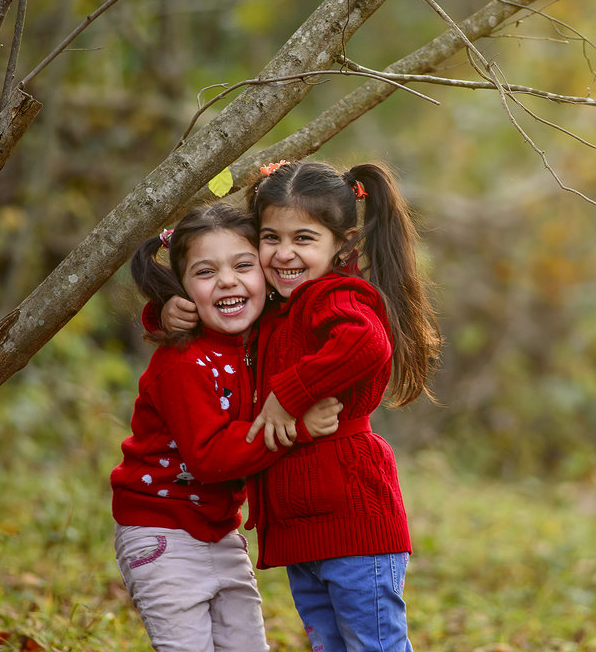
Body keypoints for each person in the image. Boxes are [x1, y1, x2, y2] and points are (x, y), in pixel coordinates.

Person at [161, 160, 440, 652]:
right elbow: (220, 311)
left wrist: (286, 395)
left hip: (355, 525)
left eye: (304, 239)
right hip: (302, 531)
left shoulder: (335, 297)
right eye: (270, 237)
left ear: (343, 243)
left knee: (373, 645)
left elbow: (366, 343)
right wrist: (165, 310)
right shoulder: (276, 307)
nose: (284, 253)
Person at [111, 201, 343, 652]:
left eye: (244, 264)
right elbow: (210, 457)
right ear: (182, 290)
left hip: (221, 530)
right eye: (205, 272)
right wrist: (296, 427)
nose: (228, 281)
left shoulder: (260, 337)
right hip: (161, 533)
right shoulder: (182, 362)